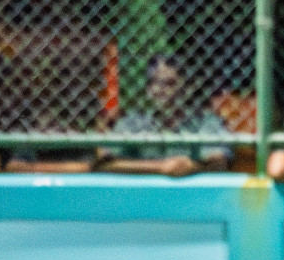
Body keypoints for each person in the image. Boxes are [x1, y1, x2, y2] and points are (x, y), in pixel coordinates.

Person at [98, 54, 231, 177]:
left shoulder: (203, 121)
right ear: (148, 89)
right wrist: (161, 167)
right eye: (155, 82)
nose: (161, 89)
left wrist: (193, 167)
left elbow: (219, 160)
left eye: (170, 83)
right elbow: (106, 161)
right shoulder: (134, 122)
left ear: (185, 89)